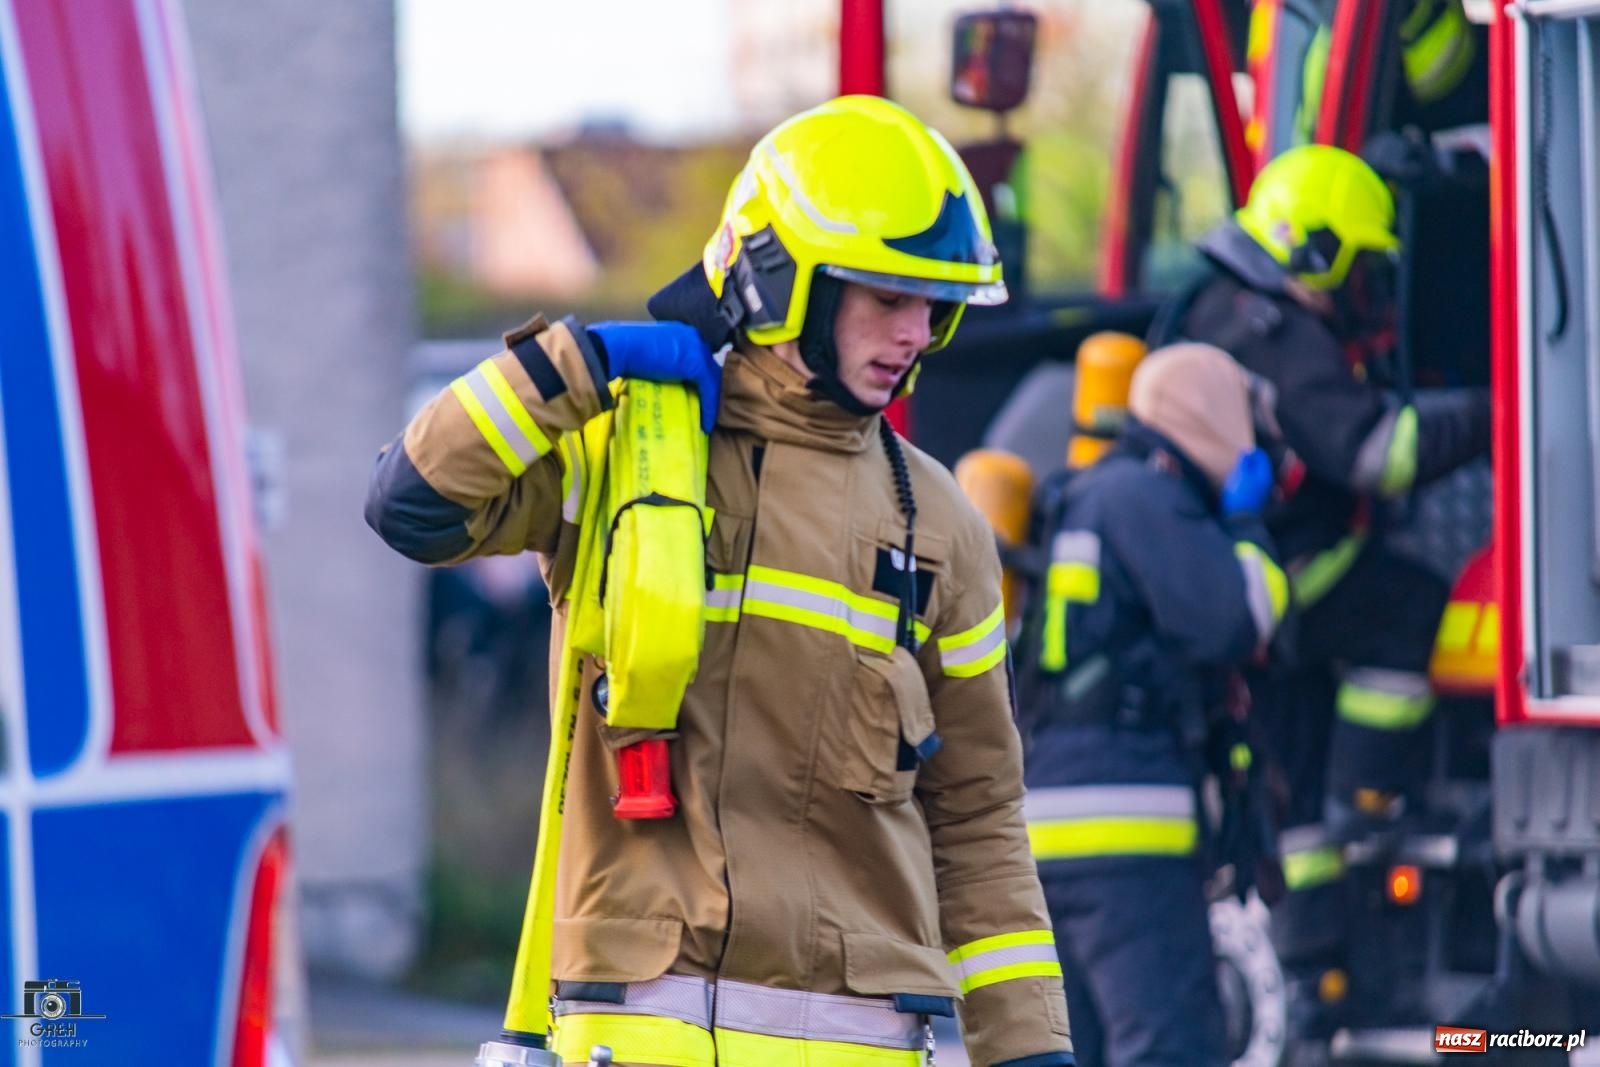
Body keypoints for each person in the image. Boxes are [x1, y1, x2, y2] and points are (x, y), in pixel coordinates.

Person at [366, 95, 1074, 1067]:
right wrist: (578, 362)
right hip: (634, 1025)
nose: (916, 333)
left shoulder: (940, 524)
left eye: (933, 306)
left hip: (861, 1040)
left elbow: (979, 813)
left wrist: (1029, 1051)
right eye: (886, 296)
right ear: (784, 280)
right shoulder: (623, 449)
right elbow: (412, 499)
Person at [1149, 143, 1490, 1038]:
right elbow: (1380, 455)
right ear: (1318, 252)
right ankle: (1372, 793)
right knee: (1409, 602)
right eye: (1361, 270)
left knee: (1290, 795)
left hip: (1235, 577)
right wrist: (1507, 407)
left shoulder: (1212, 307)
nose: (1366, 295)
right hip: (1289, 572)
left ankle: (1317, 980)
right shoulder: (1278, 330)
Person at [1016, 343, 1287, 1067]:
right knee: (1169, 1046)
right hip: (1124, 837)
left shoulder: (1091, 492)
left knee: (1083, 1049)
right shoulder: (1147, 497)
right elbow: (1237, 618)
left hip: (1055, 826)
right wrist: (1246, 526)